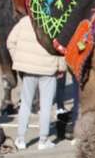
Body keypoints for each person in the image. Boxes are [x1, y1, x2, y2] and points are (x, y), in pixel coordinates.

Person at [6, 16, 66, 150]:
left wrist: (19, 60)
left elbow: (10, 42)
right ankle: (43, 140)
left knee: (25, 104)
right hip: (49, 68)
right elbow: (60, 47)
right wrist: (61, 66)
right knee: (46, 105)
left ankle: (20, 139)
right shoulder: (54, 21)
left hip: (28, 69)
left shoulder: (24, 21)